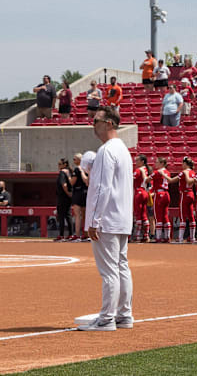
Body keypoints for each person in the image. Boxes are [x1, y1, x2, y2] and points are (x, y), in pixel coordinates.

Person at [79, 106, 133, 331]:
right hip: (120, 218)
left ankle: (107, 318)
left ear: (109, 123)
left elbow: (101, 188)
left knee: (110, 271)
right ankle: (124, 315)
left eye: (97, 121)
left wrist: (93, 220)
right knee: (121, 267)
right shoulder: (123, 149)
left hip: (107, 219)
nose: (93, 124)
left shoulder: (106, 151)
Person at [173, 157, 196, 243]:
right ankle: (192, 237)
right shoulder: (193, 172)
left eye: (183, 163)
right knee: (191, 216)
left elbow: (172, 180)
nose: (182, 165)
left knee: (182, 216)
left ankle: (180, 238)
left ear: (185, 164)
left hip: (184, 194)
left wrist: (164, 175)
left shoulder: (184, 172)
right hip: (191, 194)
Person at [150, 157, 172, 242]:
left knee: (158, 216)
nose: (155, 164)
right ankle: (167, 236)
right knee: (165, 215)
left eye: (157, 162)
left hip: (159, 194)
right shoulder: (167, 172)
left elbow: (148, 179)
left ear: (162, 163)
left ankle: (158, 237)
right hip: (166, 194)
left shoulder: (157, 172)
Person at [70, 153, 89, 241]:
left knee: (77, 215)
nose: (73, 161)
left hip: (78, 192)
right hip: (86, 192)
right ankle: (85, 234)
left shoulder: (77, 169)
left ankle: (77, 234)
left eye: (74, 159)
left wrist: (69, 178)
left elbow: (72, 182)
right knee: (85, 215)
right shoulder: (87, 169)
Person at [132, 155, 151, 242]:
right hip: (145, 192)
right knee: (144, 214)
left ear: (142, 161)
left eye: (137, 161)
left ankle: (137, 236)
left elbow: (131, 178)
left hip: (139, 192)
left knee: (138, 214)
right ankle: (146, 235)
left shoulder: (139, 170)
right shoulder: (146, 170)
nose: (136, 162)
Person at [55, 158, 73, 241]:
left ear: (65, 164)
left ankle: (61, 235)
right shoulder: (70, 172)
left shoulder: (62, 172)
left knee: (61, 216)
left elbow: (64, 184)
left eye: (60, 164)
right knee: (68, 215)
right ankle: (71, 234)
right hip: (68, 198)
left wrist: (68, 193)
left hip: (62, 197)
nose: (59, 166)